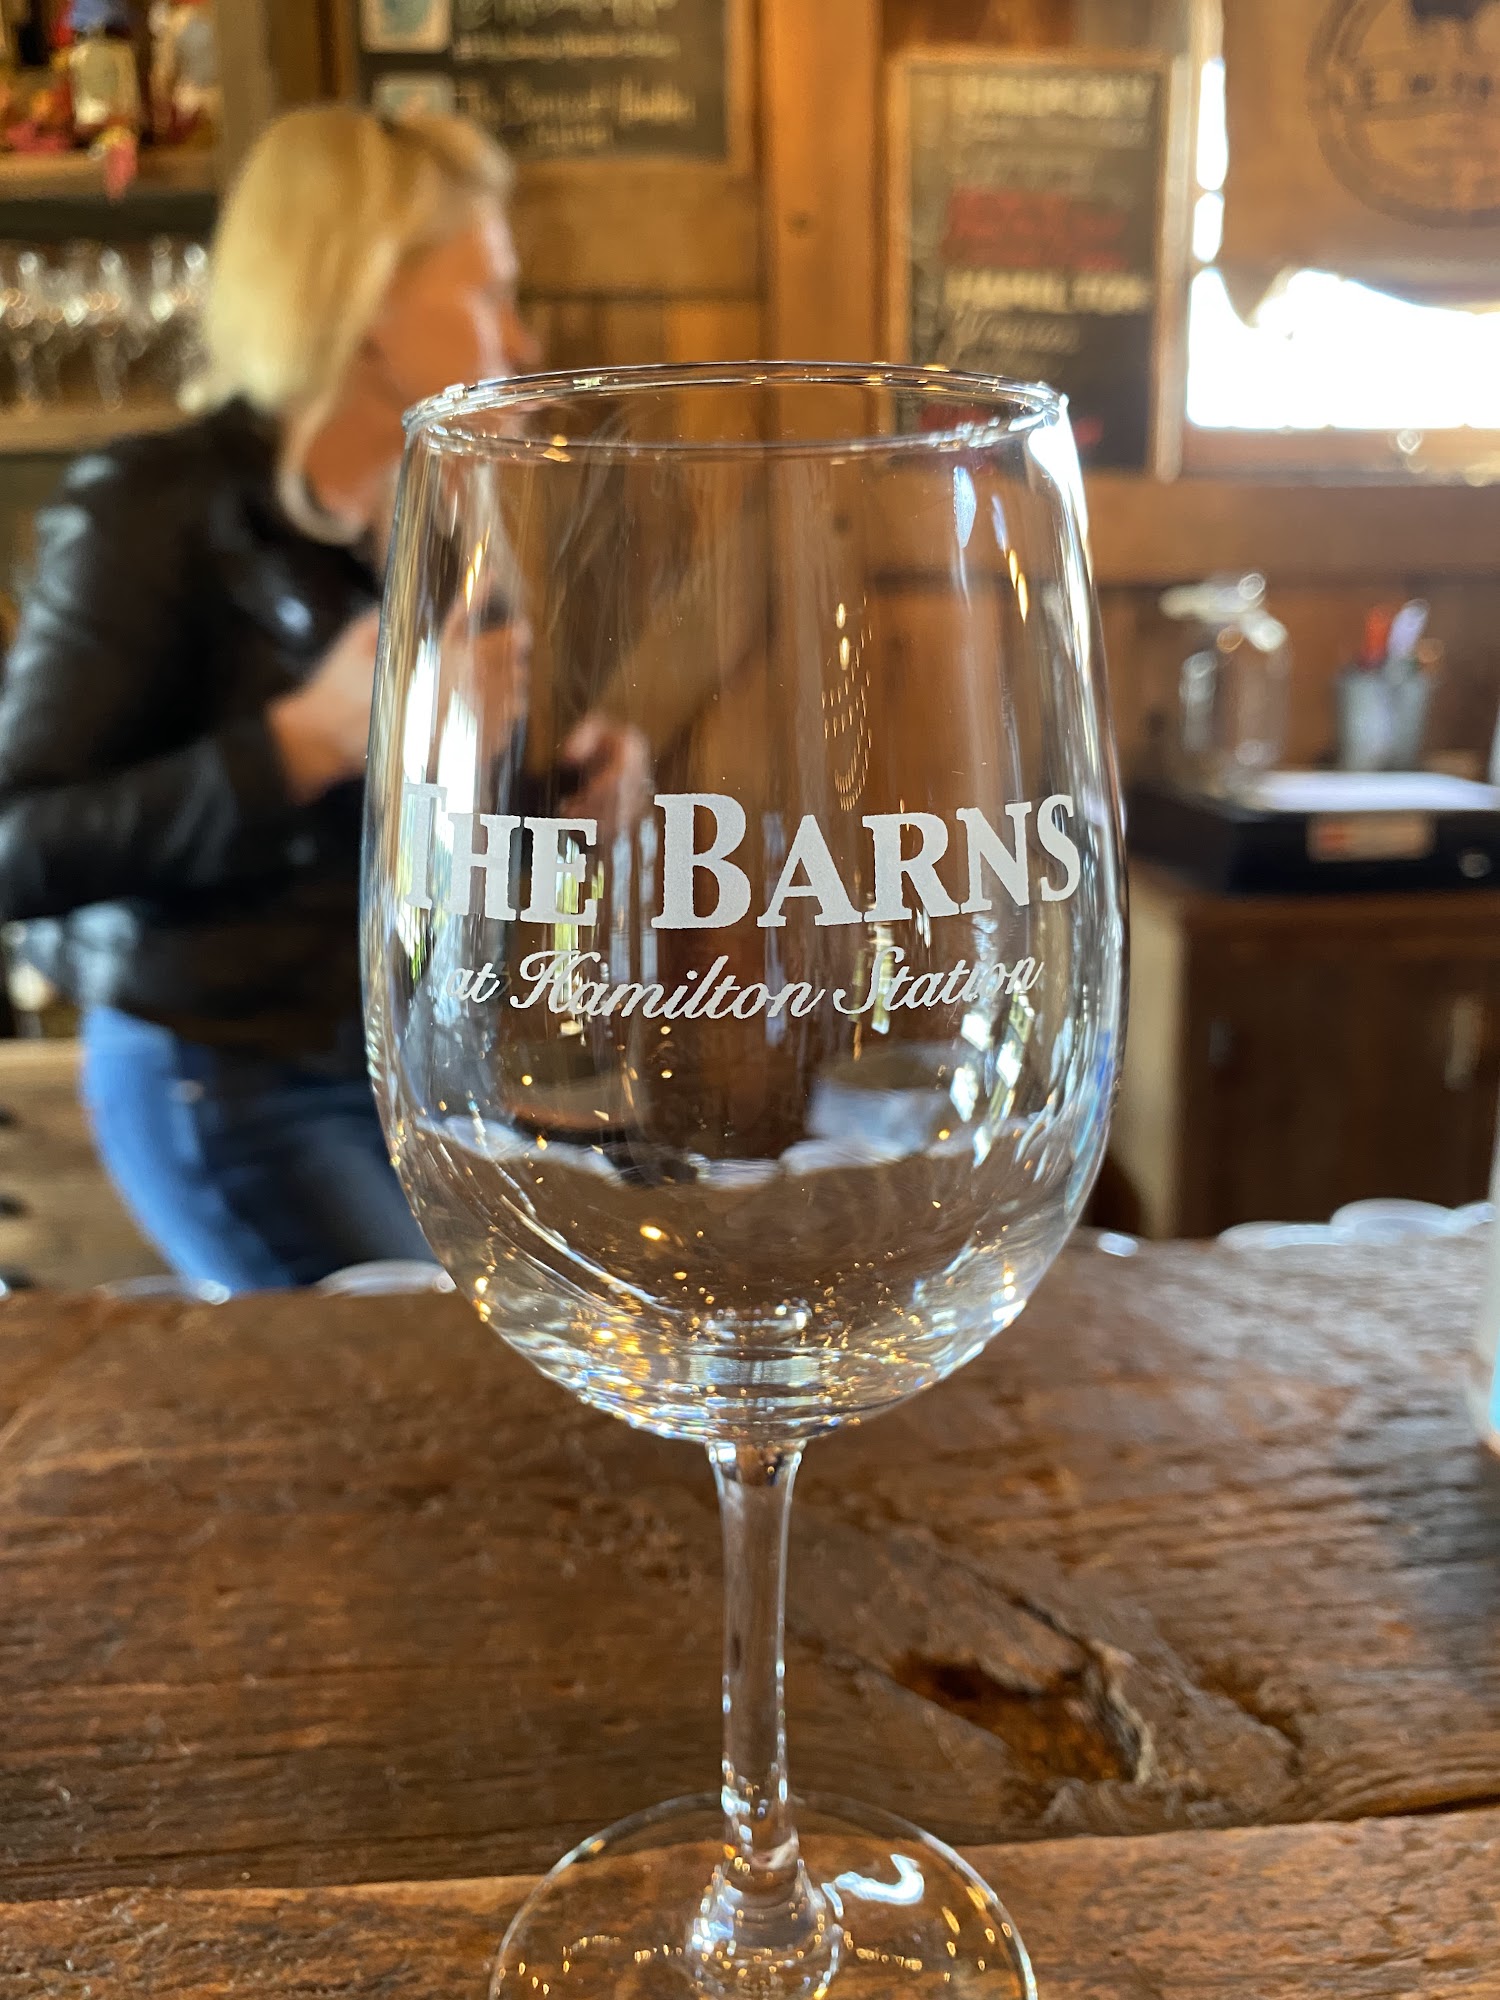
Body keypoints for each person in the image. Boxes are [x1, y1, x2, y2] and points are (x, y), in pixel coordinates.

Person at [0, 105, 549, 1293]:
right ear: (365, 303)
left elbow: (425, 847)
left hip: (400, 1068)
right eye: (490, 294)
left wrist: (565, 796)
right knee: (422, 1364)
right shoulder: (152, 507)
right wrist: (303, 742)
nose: (520, 337)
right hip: (217, 1076)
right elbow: (17, 845)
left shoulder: (427, 525)